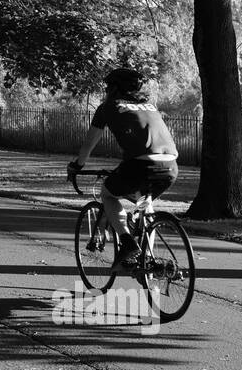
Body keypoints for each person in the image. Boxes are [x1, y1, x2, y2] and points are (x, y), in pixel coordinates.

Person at [67, 68, 178, 269]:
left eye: (108, 86)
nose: (106, 90)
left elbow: (88, 145)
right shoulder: (150, 106)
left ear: (116, 88)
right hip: (170, 166)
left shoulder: (109, 107)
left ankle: (128, 243)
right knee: (145, 203)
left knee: (108, 194)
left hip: (141, 165)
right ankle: (146, 261)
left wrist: (77, 166)